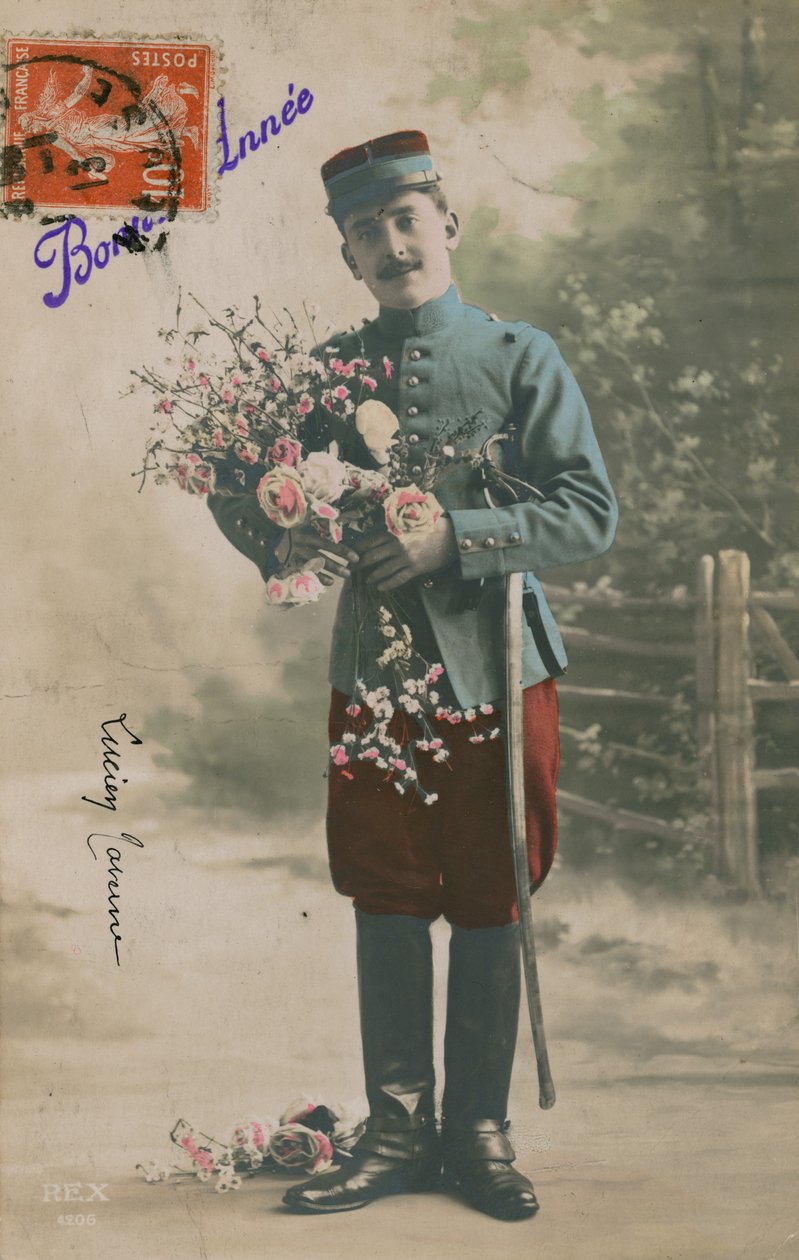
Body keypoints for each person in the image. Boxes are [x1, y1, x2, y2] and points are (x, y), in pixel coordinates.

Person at [207, 130, 617, 1220]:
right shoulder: (332, 374)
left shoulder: (521, 355)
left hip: (497, 667)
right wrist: (276, 536)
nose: (391, 245)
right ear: (346, 257)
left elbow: (587, 511)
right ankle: (394, 1129)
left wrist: (455, 539)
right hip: (375, 678)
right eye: (364, 231)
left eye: (405, 220)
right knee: (383, 884)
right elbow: (238, 479)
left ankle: (475, 1134)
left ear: (448, 225)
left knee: (492, 884)